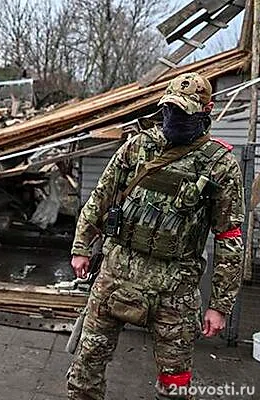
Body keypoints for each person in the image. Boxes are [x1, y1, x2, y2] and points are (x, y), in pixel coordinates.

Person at [66, 72, 245, 400]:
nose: (175, 119)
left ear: (208, 108)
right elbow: (101, 197)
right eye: (171, 111)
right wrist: (81, 246)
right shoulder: (138, 147)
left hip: (174, 291)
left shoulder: (220, 165)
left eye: (185, 112)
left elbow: (229, 236)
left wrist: (220, 305)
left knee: (174, 383)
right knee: (86, 366)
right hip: (116, 276)